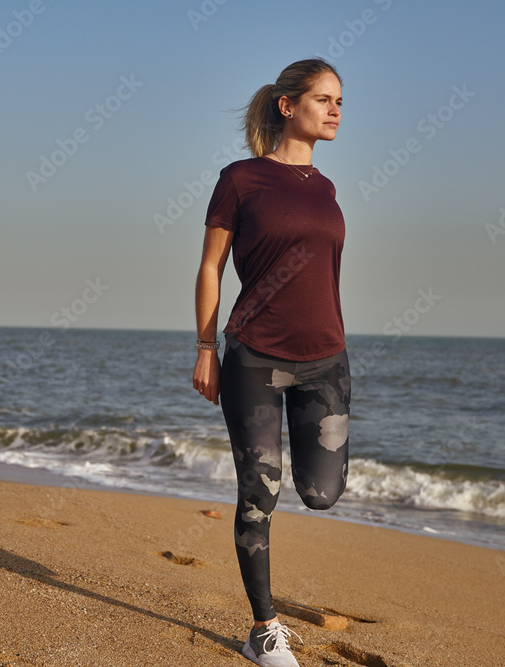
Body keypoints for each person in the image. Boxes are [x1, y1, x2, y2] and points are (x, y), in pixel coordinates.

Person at [191, 59, 351, 667]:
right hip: (253, 355)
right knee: (260, 489)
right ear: (289, 106)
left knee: (320, 492)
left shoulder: (326, 187)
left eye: (341, 101)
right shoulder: (241, 179)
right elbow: (210, 267)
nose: (335, 110)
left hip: (326, 359)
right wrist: (206, 347)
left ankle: (266, 620)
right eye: (324, 98)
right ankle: (263, 628)